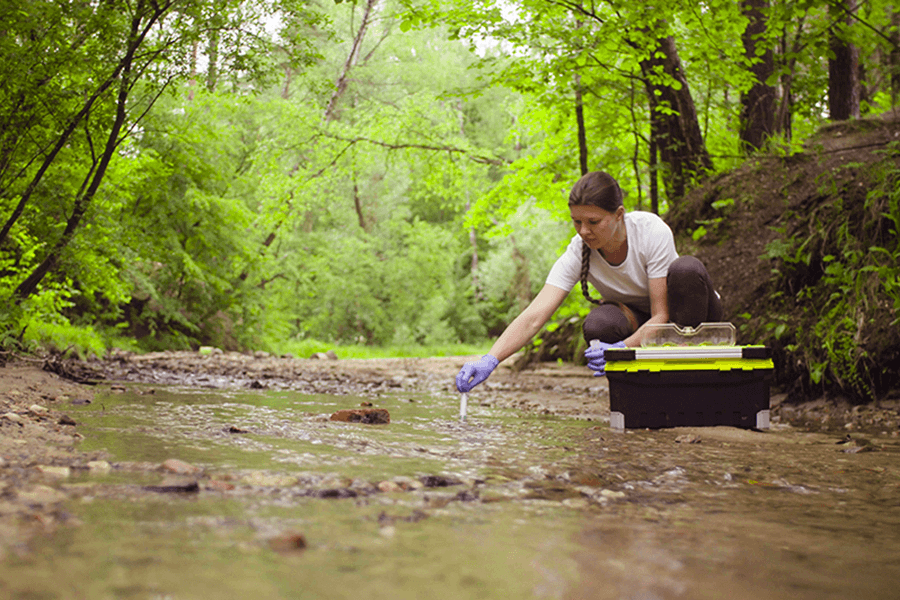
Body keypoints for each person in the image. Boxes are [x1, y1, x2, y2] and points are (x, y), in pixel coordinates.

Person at [455, 170, 722, 393]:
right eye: (577, 222)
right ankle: (639, 393)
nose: (584, 231)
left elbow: (662, 316)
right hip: (639, 320)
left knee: (687, 268)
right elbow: (534, 316)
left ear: (619, 215)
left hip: (687, 315)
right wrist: (490, 359)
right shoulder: (578, 250)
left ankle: (695, 384)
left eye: (593, 222)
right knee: (599, 324)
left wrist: (620, 349)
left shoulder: (651, 231)